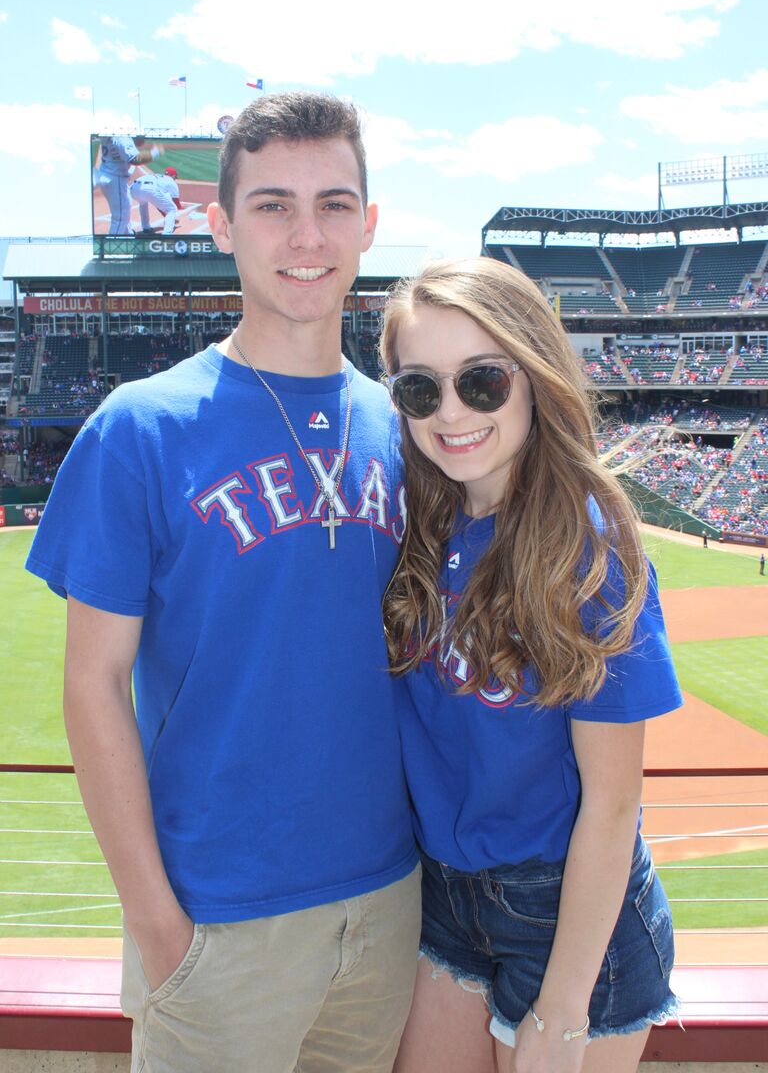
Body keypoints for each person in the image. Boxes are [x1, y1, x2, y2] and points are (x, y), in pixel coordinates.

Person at [26, 92, 420, 1073]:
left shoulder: (403, 428)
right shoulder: (139, 426)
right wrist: (159, 926)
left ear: (369, 225)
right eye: (272, 204)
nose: (306, 234)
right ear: (220, 223)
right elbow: (91, 686)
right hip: (217, 920)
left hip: (389, 905)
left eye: (334, 204)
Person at [379, 257, 683, 1073]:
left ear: (535, 373)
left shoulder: (589, 550)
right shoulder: (422, 527)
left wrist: (563, 1008)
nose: (450, 413)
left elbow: (614, 806)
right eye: (419, 389)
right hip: (445, 897)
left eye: (481, 382)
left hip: (571, 915)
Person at [94, 135, 164, 235]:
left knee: (124, 210)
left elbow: (122, 147)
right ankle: (113, 247)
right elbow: (135, 159)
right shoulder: (122, 136)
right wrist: (155, 152)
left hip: (108, 174)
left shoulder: (112, 133)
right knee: (120, 219)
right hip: (115, 178)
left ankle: (128, 235)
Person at [130, 166, 182, 235]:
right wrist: (180, 207)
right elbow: (176, 201)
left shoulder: (158, 176)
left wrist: (164, 212)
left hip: (134, 188)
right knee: (172, 209)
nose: (175, 179)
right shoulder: (171, 181)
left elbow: (158, 202)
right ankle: (167, 233)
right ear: (173, 175)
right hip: (150, 189)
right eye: (175, 177)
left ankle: (146, 228)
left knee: (143, 203)